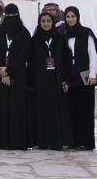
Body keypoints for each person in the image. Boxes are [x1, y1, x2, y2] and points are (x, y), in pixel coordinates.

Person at [29, 12, 72, 150]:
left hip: (56, 80)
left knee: (56, 108)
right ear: (39, 23)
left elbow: (66, 60)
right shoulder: (35, 39)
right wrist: (31, 84)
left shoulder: (59, 38)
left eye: (48, 21)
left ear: (53, 22)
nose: (46, 23)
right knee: (42, 109)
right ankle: (42, 141)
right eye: (43, 21)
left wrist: (67, 79)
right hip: (40, 80)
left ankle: (57, 140)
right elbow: (31, 62)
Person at [0, 4, 31, 150]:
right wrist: (3, 72)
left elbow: (24, 54)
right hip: (0, 75)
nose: (11, 19)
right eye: (8, 16)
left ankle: (17, 141)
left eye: (14, 16)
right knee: (2, 109)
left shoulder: (24, 33)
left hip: (18, 76)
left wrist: (9, 71)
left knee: (16, 109)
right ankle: (1, 141)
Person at [62, 6, 97, 150]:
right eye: (68, 17)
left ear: (77, 17)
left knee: (85, 109)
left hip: (85, 77)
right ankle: (73, 141)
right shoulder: (64, 35)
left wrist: (92, 75)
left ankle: (85, 142)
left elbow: (93, 54)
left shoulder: (86, 33)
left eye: (73, 16)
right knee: (72, 109)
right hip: (71, 78)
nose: (70, 19)